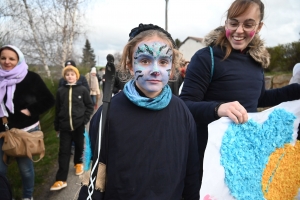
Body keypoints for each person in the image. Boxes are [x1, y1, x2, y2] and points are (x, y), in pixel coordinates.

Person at [179, 0, 300, 186]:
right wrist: (218, 108)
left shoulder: (256, 61)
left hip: (244, 158)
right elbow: (184, 105)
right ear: (226, 23)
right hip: (207, 160)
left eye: (248, 24)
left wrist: (296, 90)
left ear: (259, 27)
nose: (239, 30)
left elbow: (259, 99)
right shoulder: (205, 58)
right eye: (233, 23)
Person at [78, 23, 200, 200]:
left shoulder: (182, 112)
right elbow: (94, 178)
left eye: (163, 62)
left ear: (172, 68)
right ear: (130, 66)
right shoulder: (108, 114)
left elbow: (191, 171)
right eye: (144, 61)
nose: (155, 70)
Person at [0, 45, 55, 200]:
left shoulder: (31, 78)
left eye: (12, 58)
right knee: (0, 171)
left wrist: (29, 110)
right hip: (3, 131)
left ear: (19, 60)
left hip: (25, 131)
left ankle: (27, 196)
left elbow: (49, 100)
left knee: (25, 169)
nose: (7, 61)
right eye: (3, 58)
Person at [51, 65, 93, 191]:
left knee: (80, 146)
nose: (70, 76)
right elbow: (57, 109)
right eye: (67, 74)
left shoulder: (82, 90)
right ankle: (61, 179)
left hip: (78, 126)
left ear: (77, 76)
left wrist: (84, 120)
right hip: (64, 127)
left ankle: (78, 163)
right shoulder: (60, 91)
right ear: (65, 76)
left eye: (72, 74)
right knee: (64, 152)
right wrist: (57, 125)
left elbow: (89, 106)